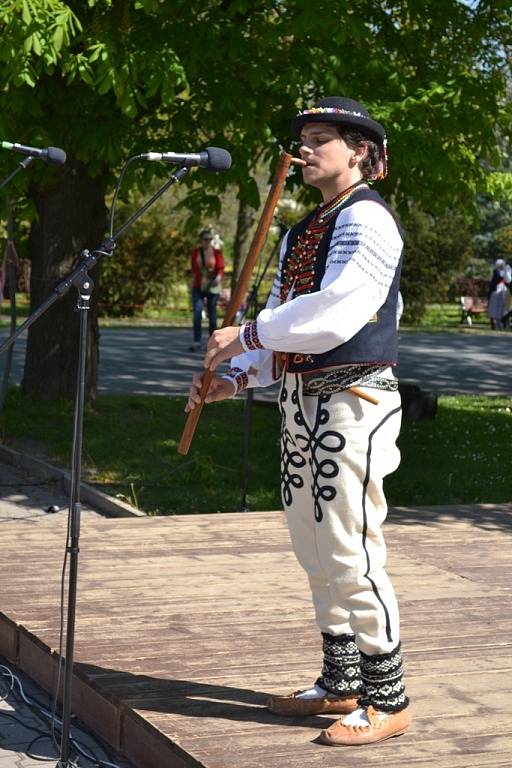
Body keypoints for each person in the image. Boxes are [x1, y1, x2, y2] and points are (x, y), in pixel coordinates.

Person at [186, 96, 411, 746]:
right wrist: (236, 375)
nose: (305, 148)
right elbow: (288, 319)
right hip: (302, 400)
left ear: (360, 151)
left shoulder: (369, 221)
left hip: (353, 402)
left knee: (350, 548)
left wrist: (244, 332)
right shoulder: (303, 229)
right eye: (304, 138)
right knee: (314, 547)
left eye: (320, 138)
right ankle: (340, 681)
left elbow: (335, 313)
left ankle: (388, 695)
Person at [189, 228, 225, 351]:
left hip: (212, 286)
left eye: (210, 239)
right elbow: (194, 270)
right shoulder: (196, 252)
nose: (208, 242)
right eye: (205, 239)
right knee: (197, 312)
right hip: (199, 286)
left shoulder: (217, 252)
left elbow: (221, 268)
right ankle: (197, 341)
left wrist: (218, 278)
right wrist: (191, 285)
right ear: (201, 240)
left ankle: (212, 342)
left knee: (212, 314)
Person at [487, 258, 510, 330]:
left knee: (502, 308)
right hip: (495, 292)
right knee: (494, 308)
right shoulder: (496, 272)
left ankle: (501, 323)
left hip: (502, 292)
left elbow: (507, 280)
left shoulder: (505, 271)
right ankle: (494, 324)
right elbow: (499, 278)